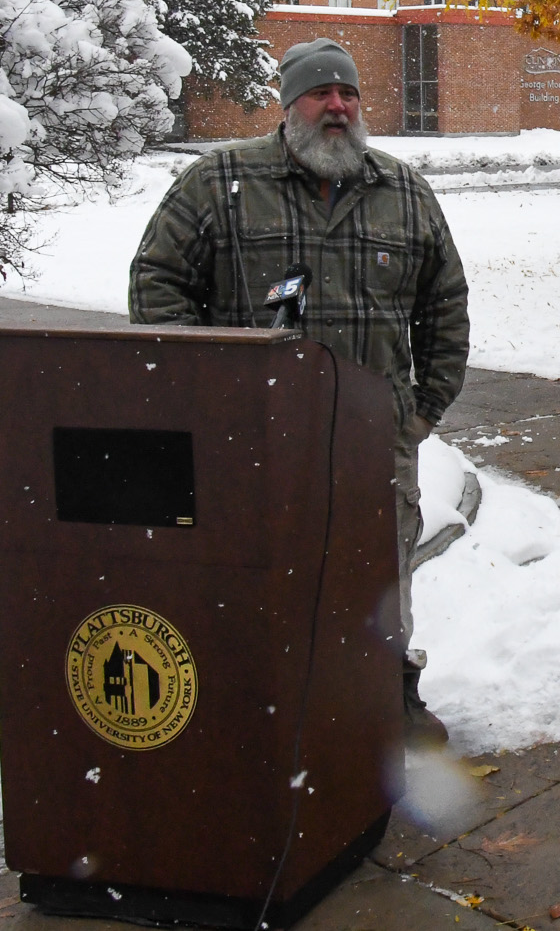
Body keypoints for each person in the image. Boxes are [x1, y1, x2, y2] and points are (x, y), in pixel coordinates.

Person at [130, 37, 469, 746]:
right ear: (288, 105)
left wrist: (425, 407)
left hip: (372, 442)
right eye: (320, 93)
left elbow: (445, 302)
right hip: (254, 444)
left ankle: (387, 699)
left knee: (380, 582)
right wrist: (202, 396)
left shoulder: (402, 191)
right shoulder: (220, 181)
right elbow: (158, 280)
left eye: (347, 93)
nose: (337, 106)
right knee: (259, 579)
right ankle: (261, 713)